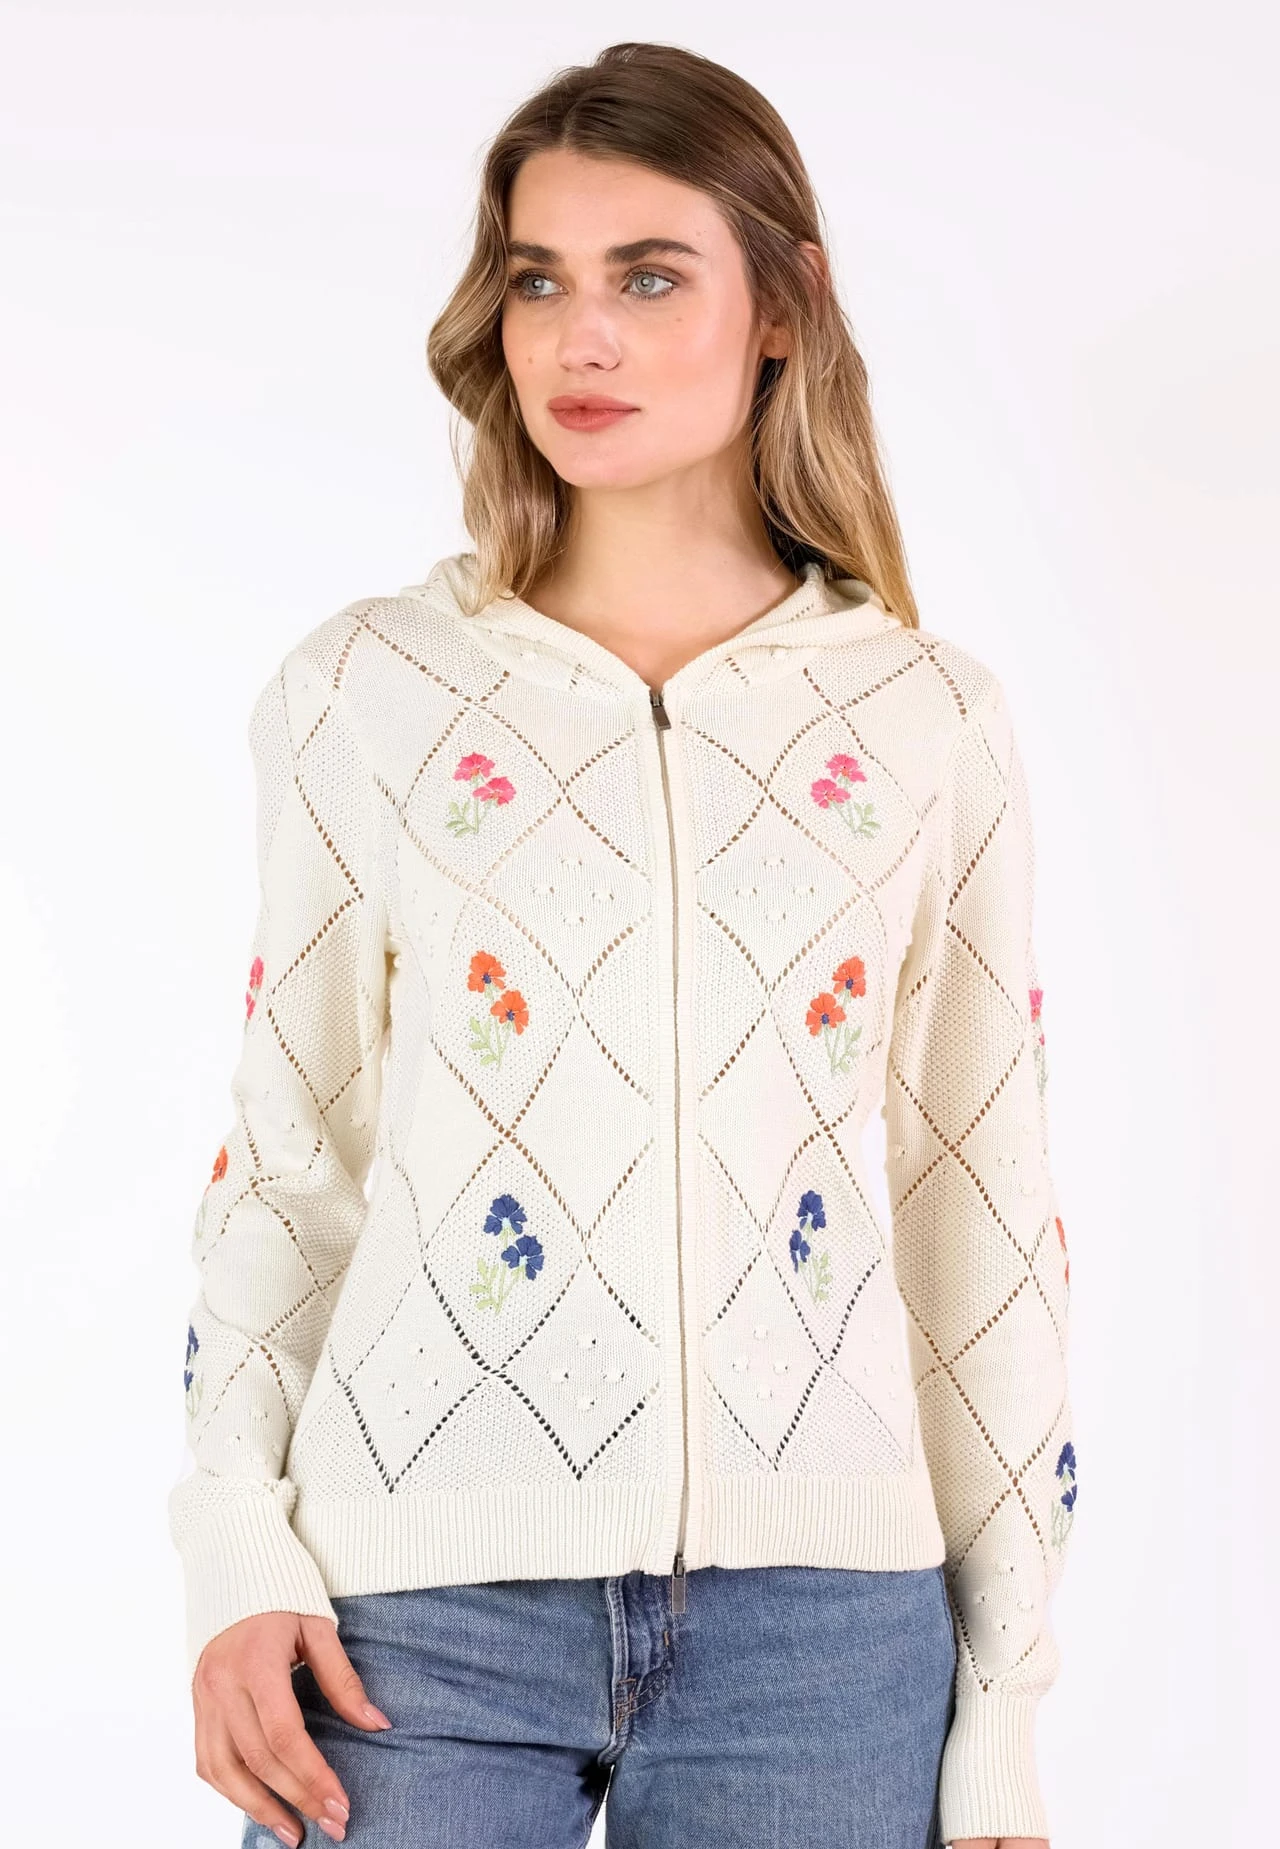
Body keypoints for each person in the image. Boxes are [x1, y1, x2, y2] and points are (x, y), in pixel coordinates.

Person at [168, 40, 1077, 1849]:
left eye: (649, 278)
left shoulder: (925, 720)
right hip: (406, 1617)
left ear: (782, 308)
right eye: (538, 281)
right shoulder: (370, 694)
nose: (580, 339)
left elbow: (977, 1213)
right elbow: (287, 1166)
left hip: (827, 1636)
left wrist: (1006, 1715)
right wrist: (232, 1558)